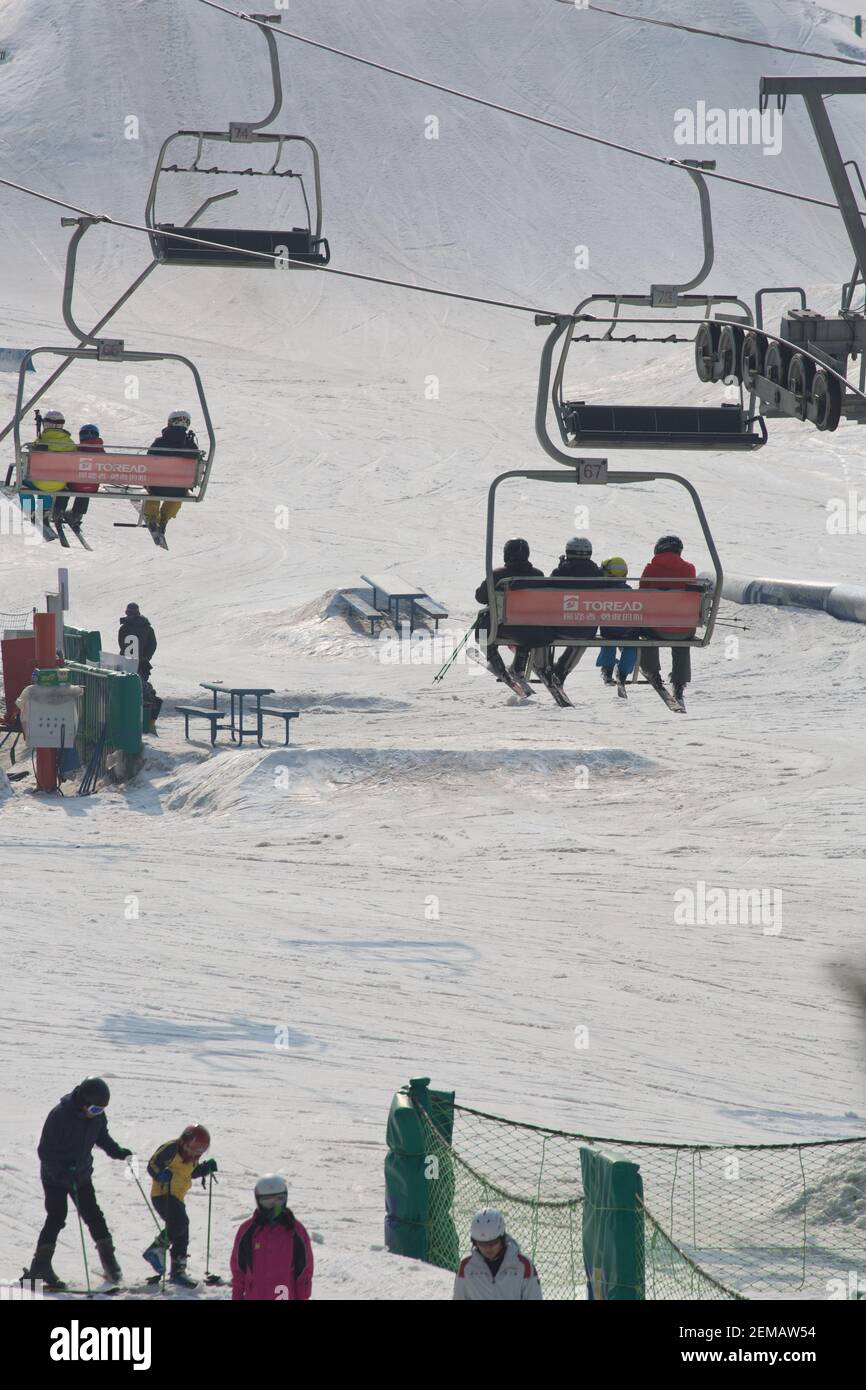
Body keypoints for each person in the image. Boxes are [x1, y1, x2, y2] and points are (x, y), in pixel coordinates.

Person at [25, 1077, 131, 1291]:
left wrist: (116, 1151)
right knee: (56, 1217)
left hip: (81, 1174)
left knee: (94, 1215)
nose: (97, 1112)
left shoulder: (97, 1116)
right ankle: (40, 1267)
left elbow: (102, 1137)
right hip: (55, 1177)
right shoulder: (59, 1116)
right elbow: (45, 1151)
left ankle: (109, 1263)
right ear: (83, 1101)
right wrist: (62, 1176)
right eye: (94, 1108)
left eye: (101, 1110)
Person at [143, 1123, 216, 1287]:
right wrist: (160, 1174)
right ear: (184, 1142)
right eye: (193, 1149)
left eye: (200, 1152)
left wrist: (205, 1169)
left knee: (182, 1232)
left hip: (177, 1197)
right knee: (180, 1224)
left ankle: (178, 1272)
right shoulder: (172, 1148)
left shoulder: (192, 1158)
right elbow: (153, 1164)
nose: (195, 1154)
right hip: (163, 1194)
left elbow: (191, 1173)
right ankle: (156, 1248)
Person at [230, 1175, 314, 1301]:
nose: (274, 1206)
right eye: (267, 1201)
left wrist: (303, 1297)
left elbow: (304, 1270)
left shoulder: (295, 1231)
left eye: (279, 1199)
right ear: (258, 1201)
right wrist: (237, 1296)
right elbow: (239, 1270)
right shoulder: (248, 1231)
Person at [474, 538, 543, 685]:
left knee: (482, 631)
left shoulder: (498, 575)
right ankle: (519, 667)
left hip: (502, 627)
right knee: (524, 631)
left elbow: (480, 597)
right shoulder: (538, 575)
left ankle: (494, 660)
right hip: (530, 628)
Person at [639, 535, 698, 705]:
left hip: (658, 629)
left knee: (645, 633)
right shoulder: (689, 569)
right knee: (682, 641)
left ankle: (652, 671)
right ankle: (679, 683)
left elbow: (642, 594)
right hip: (684, 628)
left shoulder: (652, 568)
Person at [546, 536, 602, 686]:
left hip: (559, 627)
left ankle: (546, 667)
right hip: (586, 629)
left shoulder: (561, 572)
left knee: (544, 630)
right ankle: (562, 669)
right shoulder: (598, 574)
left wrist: (562, 565)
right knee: (581, 638)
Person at [452, 1208, 542, 1301]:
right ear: (475, 1242)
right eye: (482, 1244)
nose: (488, 1249)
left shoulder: (523, 1266)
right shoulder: (466, 1267)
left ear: (502, 1239)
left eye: (493, 1243)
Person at [142, 410, 199, 539]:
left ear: (170, 423)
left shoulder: (160, 442)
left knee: (153, 493)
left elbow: (149, 461)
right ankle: (164, 519)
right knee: (179, 493)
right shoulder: (190, 445)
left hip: (157, 486)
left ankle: (152, 517)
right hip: (179, 488)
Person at [22, 409, 74, 529]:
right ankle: (44, 510)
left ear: (45, 424)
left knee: (25, 483)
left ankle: (29, 510)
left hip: (40, 482)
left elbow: (29, 463)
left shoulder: (41, 441)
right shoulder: (69, 443)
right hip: (60, 484)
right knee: (48, 480)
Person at [595, 556, 638, 685]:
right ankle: (623, 672)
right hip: (628, 630)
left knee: (608, 639)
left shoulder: (602, 590)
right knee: (631, 644)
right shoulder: (629, 591)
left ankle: (607, 669)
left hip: (609, 630)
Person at [52, 423, 102, 530]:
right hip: (92, 487)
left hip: (74, 484)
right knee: (87, 485)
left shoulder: (75, 450)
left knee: (65, 485)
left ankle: (58, 510)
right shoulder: (102, 452)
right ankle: (77, 514)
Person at [118, 603, 157, 680]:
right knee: (141, 685)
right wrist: (146, 657)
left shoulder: (124, 628)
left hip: (126, 662)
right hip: (142, 663)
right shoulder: (148, 628)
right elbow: (153, 645)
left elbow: (121, 644)